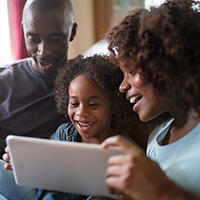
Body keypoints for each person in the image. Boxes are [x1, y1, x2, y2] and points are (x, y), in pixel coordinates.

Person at [2, 54, 139, 200]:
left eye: (92, 105)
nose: (81, 112)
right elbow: (46, 169)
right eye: (74, 103)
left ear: (114, 105)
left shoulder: (125, 150)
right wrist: (25, 165)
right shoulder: (65, 134)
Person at [101, 1, 200, 199]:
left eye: (131, 71)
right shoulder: (157, 139)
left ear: (167, 63)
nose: (122, 86)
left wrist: (162, 191)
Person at [0, 0, 77, 158]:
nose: (43, 52)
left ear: (73, 32)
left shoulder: (86, 83)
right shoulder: (3, 82)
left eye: (55, 40)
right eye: (34, 40)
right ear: (23, 29)